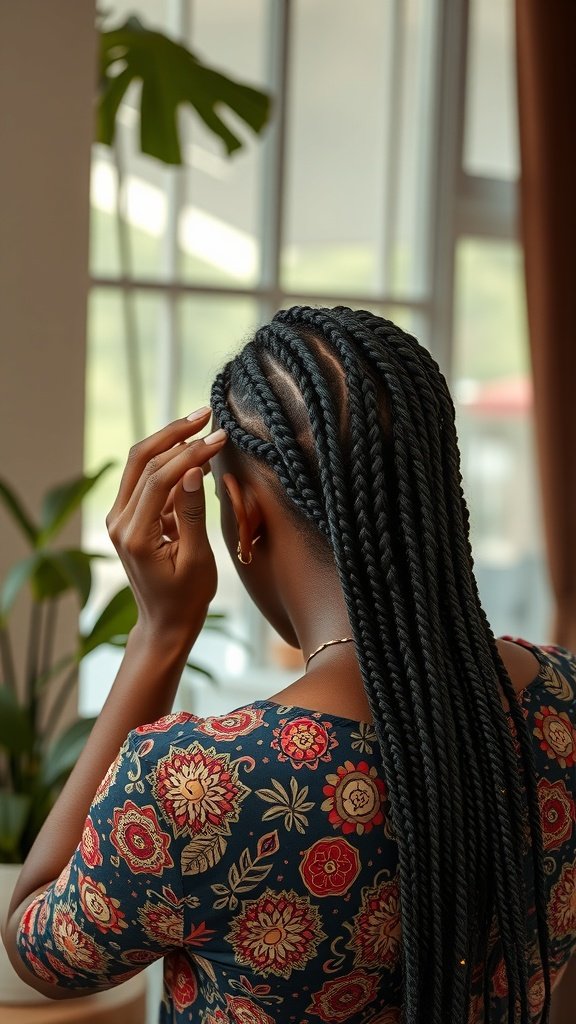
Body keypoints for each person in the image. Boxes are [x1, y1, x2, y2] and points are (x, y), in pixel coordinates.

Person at [2, 305, 576, 1024]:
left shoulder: (200, 785)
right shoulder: (562, 705)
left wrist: (162, 632)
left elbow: (39, 949)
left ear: (244, 517)